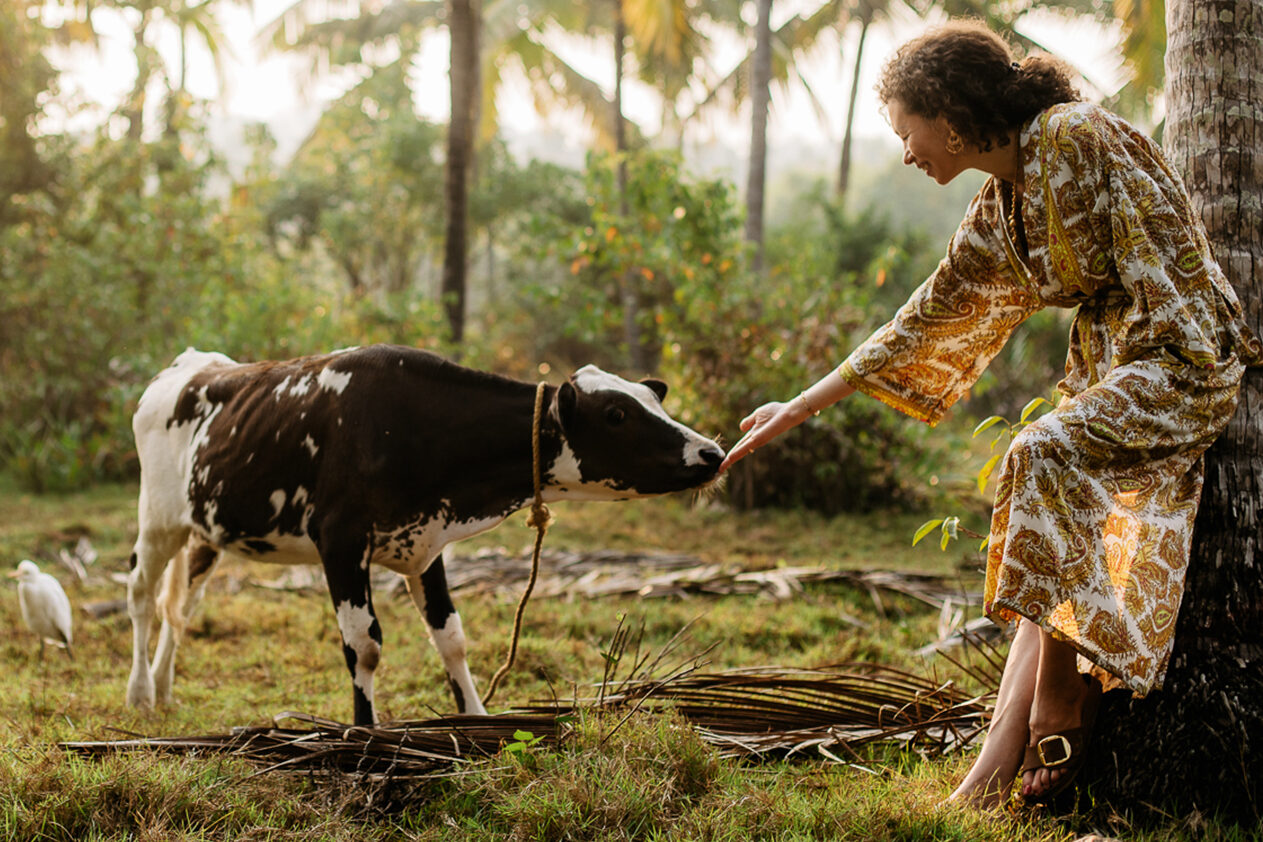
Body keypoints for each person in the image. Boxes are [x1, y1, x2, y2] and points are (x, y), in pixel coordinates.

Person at [719, 19, 1263, 809]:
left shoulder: (1071, 134)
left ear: (947, 114)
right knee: (1044, 518)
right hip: (1113, 367)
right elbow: (926, 316)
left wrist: (1142, 366)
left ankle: (1060, 695)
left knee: (1037, 453)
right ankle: (987, 773)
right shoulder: (1001, 201)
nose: (907, 153)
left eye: (908, 132)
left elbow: (1166, 277)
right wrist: (794, 409)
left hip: (1179, 352)